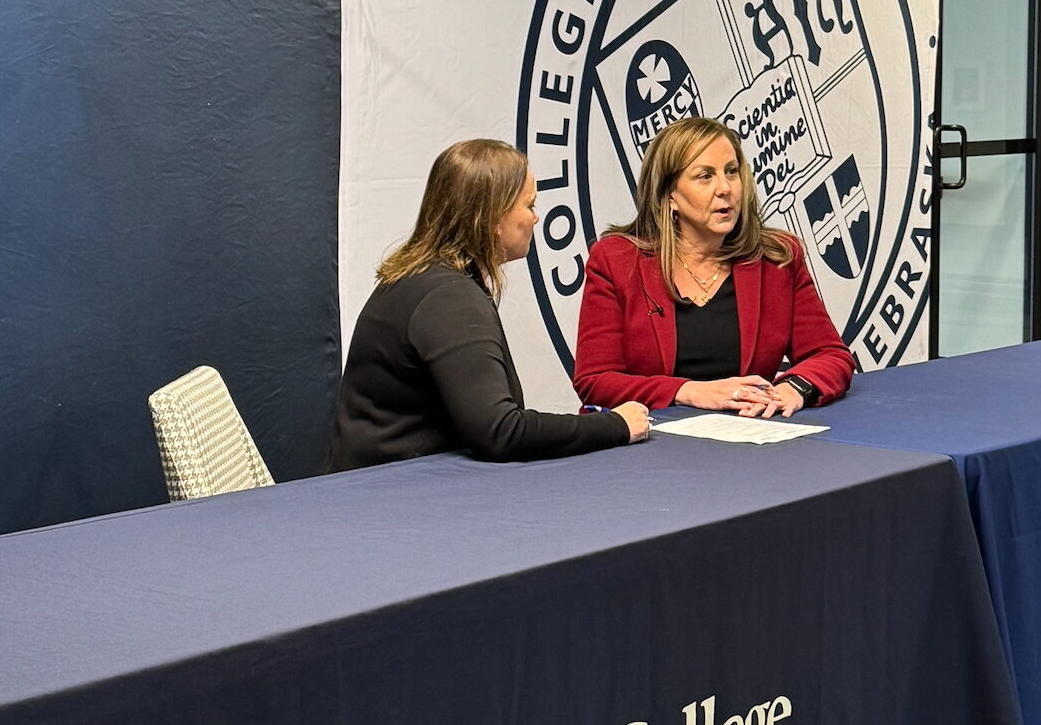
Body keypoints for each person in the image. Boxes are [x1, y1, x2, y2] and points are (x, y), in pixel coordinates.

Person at [328, 140, 650, 470]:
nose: (536, 218)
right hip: (396, 498)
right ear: (493, 216)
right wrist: (616, 425)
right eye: (529, 206)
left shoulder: (420, 278)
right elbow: (499, 431)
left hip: (383, 487)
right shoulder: (448, 298)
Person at [573, 116, 853, 418]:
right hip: (647, 443)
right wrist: (690, 392)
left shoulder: (776, 259)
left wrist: (794, 388)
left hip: (747, 437)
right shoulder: (617, 260)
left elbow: (830, 355)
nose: (725, 188)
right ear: (670, 196)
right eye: (705, 176)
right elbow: (596, 380)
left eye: (731, 172)